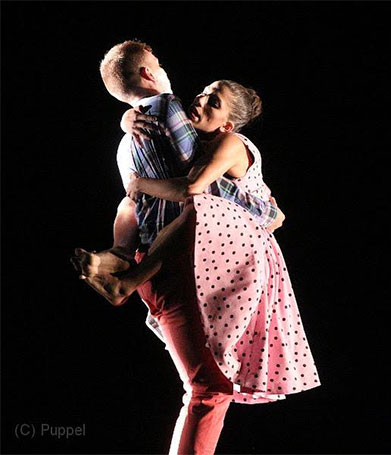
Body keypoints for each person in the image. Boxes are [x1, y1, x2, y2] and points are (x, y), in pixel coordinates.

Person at [72, 40, 320, 455]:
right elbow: (171, 151)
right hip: (198, 253)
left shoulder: (231, 144)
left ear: (227, 123)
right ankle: (119, 258)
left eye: (213, 100)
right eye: (203, 92)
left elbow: (195, 186)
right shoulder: (176, 135)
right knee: (208, 385)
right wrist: (128, 118)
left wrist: (140, 184)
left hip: (235, 251)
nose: (199, 99)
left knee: (188, 201)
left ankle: (127, 273)